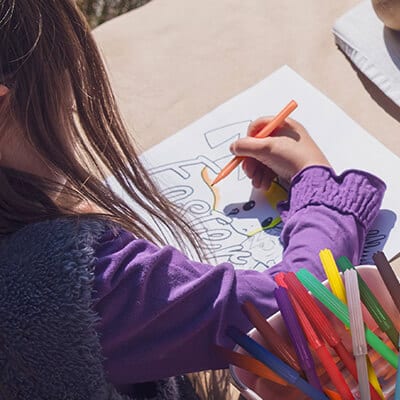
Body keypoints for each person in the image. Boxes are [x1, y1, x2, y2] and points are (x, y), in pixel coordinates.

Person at [0, 1, 385, 399]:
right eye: (66, 85)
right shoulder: (84, 284)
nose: (73, 108)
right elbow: (295, 308)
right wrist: (320, 190)